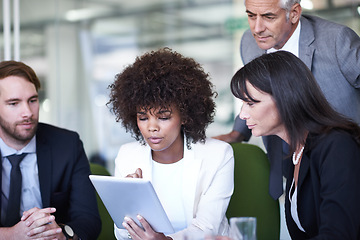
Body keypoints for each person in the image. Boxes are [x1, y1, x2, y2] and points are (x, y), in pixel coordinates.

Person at [214, 0, 360, 199]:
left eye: (268, 17)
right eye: (251, 15)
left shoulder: (336, 41)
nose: (257, 28)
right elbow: (256, 93)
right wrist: (237, 134)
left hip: (344, 166)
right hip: (290, 163)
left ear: (294, 13)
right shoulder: (249, 43)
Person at [107, 48, 234, 240]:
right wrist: (130, 204)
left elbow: (207, 228)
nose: (152, 127)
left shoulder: (218, 155)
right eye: (143, 117)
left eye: (163, 117)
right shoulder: (127, 156)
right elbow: (121, 233)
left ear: (184, 115)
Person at [231, 50, 360, 239]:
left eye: (251, 103)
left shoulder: (336, 146)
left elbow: (338, 235)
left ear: (286, 98)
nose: (242, 115)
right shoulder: (296, 153)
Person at [0, 61, 101, 240]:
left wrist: (62, 235)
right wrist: (11, 235)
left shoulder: (67, 145)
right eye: (14, 103)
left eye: (32, 100)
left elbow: (88, 219)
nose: (27, 113)